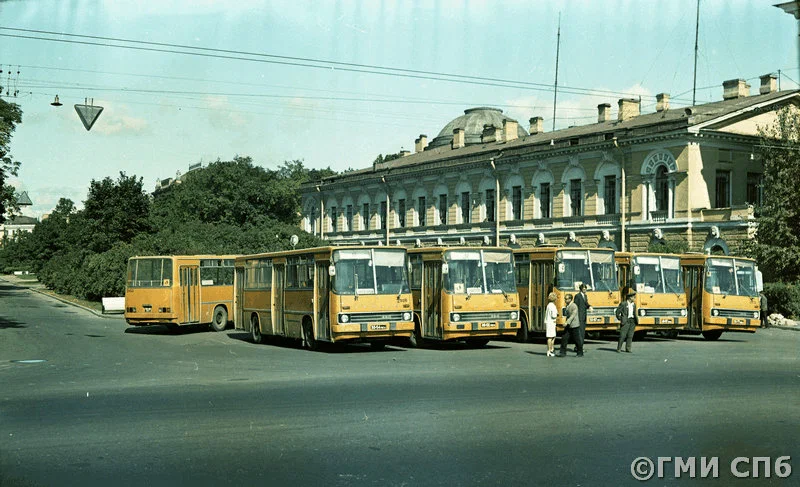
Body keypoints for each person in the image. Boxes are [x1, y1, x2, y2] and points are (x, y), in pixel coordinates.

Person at [574, 283, 592, 349]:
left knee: (582, 332)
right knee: (579, 332)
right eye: (583, 289)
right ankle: (578, 347)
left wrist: (589, 306)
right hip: (579, 316)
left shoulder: (585, 296)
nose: (585, 290)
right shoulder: (577, 296)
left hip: (584, 317)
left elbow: (586, 304)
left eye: (585, 289)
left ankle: (580, 346)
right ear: (581, 289)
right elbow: (575, 306)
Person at [544, 292, 558, 357]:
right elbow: (553, 315)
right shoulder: (552, 306)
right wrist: (557, 315)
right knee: (550, 337)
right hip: (551, 323)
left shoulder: (549, 305)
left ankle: (551, 349)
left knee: (552, 336)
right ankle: (550, 350)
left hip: (549, 322)